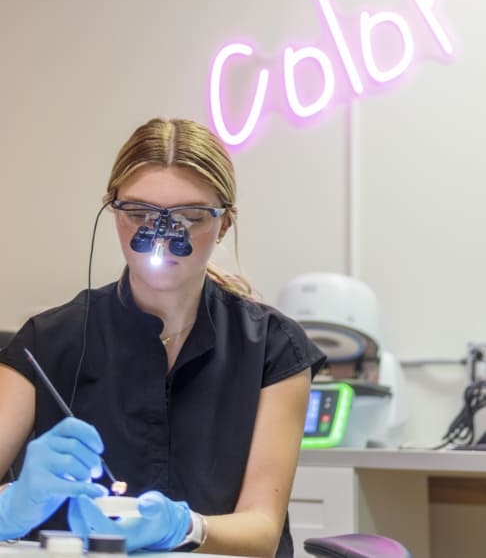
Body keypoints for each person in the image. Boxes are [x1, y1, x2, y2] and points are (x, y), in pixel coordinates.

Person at [0, 118, 325, 557]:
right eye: (139, 215)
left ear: (224, 223)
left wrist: (186, 527)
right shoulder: (45, 343)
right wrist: (16, 504)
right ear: (113, 212)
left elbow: (261, 533)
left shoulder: (272, 346)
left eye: (190, 218)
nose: (161, 237)